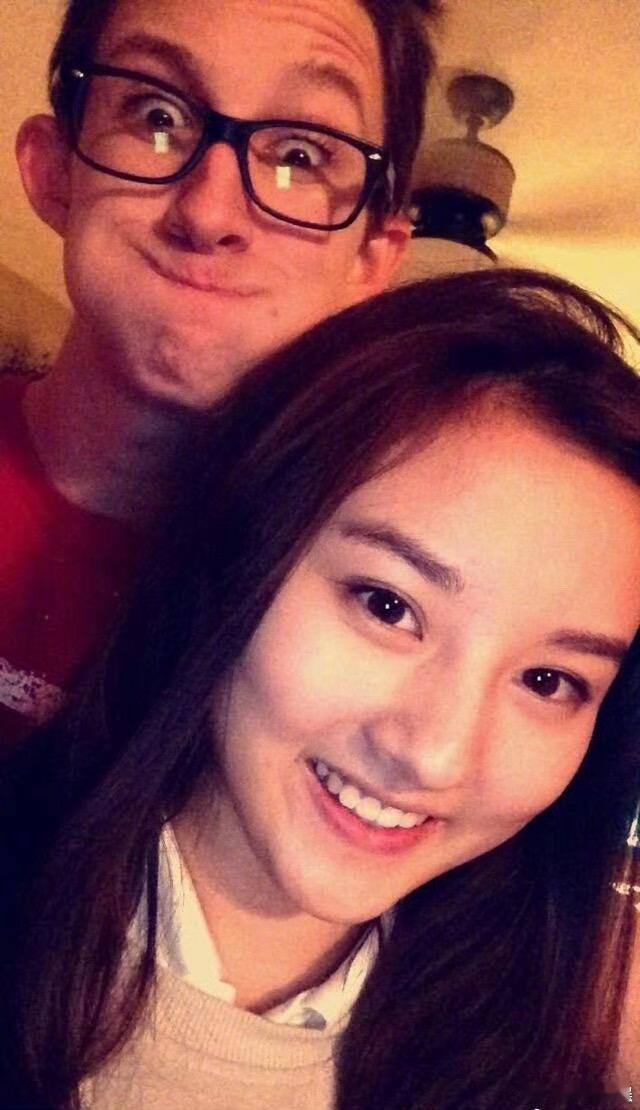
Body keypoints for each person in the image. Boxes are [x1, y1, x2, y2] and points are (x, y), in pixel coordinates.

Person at [1, 268, 639, 1109]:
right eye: (388, 606)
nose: (437, 754)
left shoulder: (544, 1070)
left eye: (549, 680)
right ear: (243, 550)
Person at [0, 0, 440, 742]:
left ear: (369, 260)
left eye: (300, 155)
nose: (208, 215)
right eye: (157, 114)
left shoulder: (345, 629)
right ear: (54, 172)